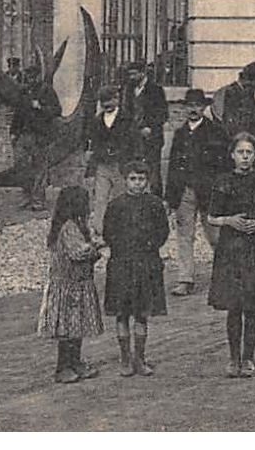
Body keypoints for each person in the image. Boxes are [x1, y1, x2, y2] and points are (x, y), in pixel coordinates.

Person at [207, 132, 255, 378]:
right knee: (233, 306)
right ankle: (233, 358)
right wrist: (229, 220)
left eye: (249, 152)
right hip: (231, 249)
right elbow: (211, 217)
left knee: (252, 306)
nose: (245, 157)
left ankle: (249, 357)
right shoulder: (222, 182)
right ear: (232, 155)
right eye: (240, 152)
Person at [102, 159, 169, 376]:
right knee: (122, 314)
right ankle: (125, 359)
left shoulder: (155, 204)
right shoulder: (115, 205)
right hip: (121, 264)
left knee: (142, 313)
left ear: (147, 181)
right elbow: (108, 234)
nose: (137, 184)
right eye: (133, 179)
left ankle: (139, 358)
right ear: (125, 180)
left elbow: (162, 232)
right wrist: (124, 247)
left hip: (147, 264)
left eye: (141, 179)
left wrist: (148, 246)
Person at [37, 186, 105, 384]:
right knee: (67, 329)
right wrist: (98, 246)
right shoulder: (68, 227)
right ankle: (63, 367)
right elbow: (79, 252)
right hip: (68, 286)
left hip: (78, 284)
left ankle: (75, 363)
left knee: (77, 327)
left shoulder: (76, 225)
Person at [165, 88, 228, 297]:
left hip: (208, 192)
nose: (194, 110)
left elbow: (224, 166)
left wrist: (221, 192)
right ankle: (185, 278)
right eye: (190, 106)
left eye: (198, 106)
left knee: (216, 236)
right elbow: (173, 165)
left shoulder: (216, 132)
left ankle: (223, 275)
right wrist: (170, 196)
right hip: (184, 191)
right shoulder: (180, 133)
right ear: (184, 108)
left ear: (204, 108)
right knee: (184, 236)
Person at [86, 80, 145, 231]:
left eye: (110, 100)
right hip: (103, 166)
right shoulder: (97, 121)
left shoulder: (127, 119)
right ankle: (100, 232)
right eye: (103, 101)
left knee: (120, 199)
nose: (107, 104)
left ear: (117, 99)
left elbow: (136, 142)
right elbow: (94, 145)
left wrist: (135, 164)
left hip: (121, 165)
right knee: (100, 200)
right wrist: (91, 168)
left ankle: (121, 231)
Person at [11, 61, 58, 211]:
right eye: (28, 77)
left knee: (40, 168)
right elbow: (18, 112)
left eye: (33, 77)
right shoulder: (24, 93)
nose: (31, 80)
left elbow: (57, 110)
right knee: (21, 166)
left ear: (39, 77)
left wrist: (41, 108)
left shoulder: (47, 91)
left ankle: (38, 200)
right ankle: (26, 196)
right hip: (24, 135)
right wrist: (13, 132)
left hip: (40, 135)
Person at [126, 63, 170, 190]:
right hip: (134, 137)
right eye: (130, 74)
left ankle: (156, 201)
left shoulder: (156, 90)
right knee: (135, 170)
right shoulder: (129, 89)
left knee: (153, 171)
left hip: (152, 138)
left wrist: (150, 127)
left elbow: (163, 114)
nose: (131, 77)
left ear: (142, 73)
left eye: (134, 74)